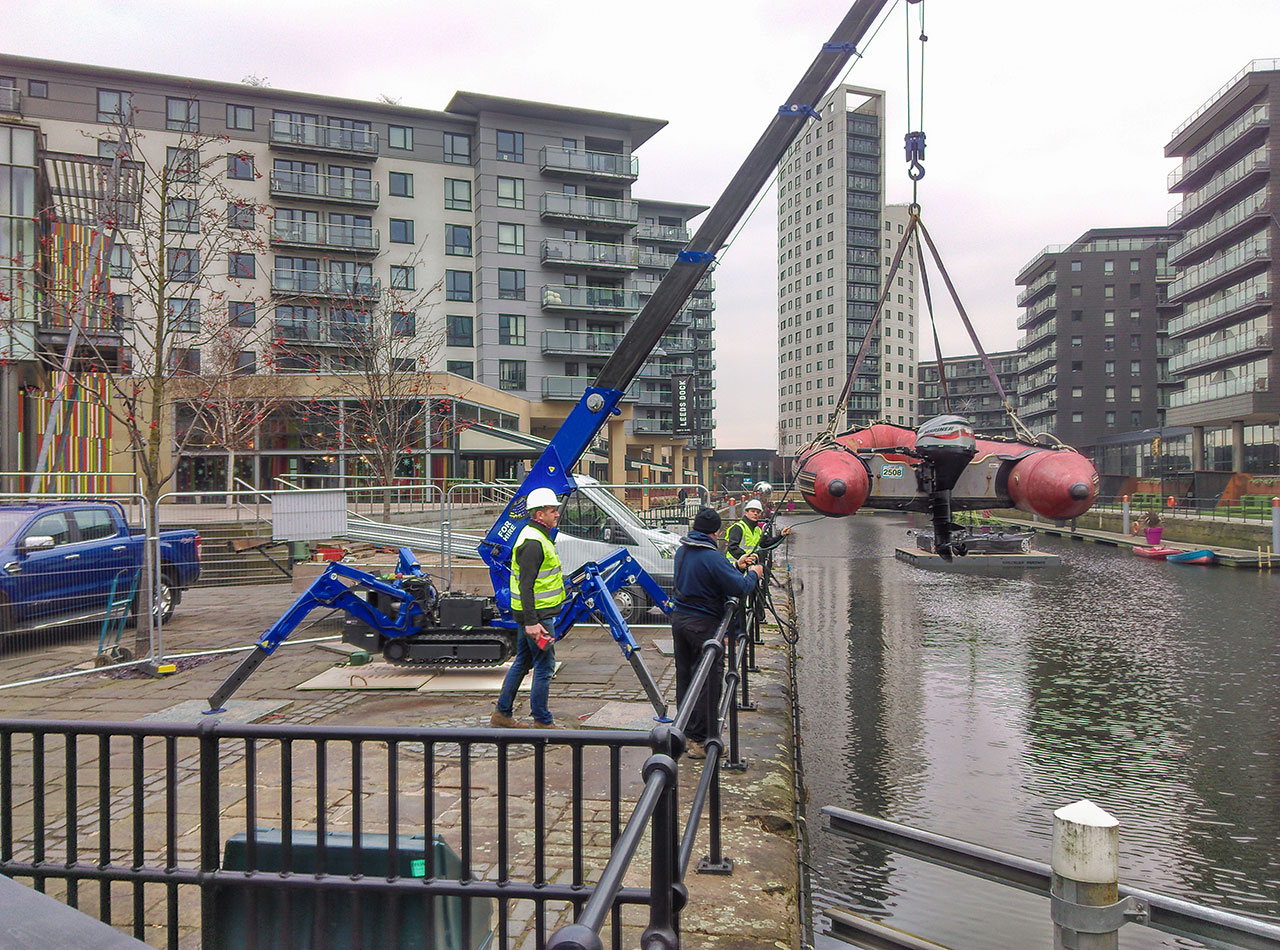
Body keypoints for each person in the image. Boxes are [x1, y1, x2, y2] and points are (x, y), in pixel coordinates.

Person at [671, 508, 764, 759]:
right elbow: (741, 587)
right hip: (702, 625)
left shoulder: (683, 550)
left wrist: (735, 564)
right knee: (709, 681)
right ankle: (702, 741)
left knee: (686, 676)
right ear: (716, 532)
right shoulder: (712, 557)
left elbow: (703, 574)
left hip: (679, 620)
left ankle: (685, 730)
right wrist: (753, 574)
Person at [492, 487, 565, 729]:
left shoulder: (535, 535)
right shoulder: (533, 542)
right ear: (539, 514)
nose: (557, 514)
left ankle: (502, 714)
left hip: (533, 614)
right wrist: (533, 623)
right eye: (552, 510)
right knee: (544, 666)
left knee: (523, 660)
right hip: (538, 616)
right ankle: (542, 721)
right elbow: (527, 586)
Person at [724, 498, 791, 568]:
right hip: (735, 565)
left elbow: (766, 544)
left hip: (749, 565)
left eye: (758, 512)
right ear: (746, 513)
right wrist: (747, 557)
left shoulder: (758, 530)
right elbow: (732, 547)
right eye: (753, 511)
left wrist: (781, 535)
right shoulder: (738, 528)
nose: (755, 514)